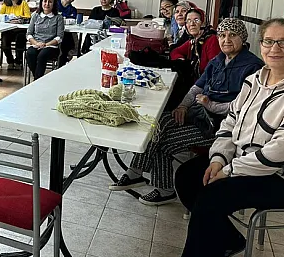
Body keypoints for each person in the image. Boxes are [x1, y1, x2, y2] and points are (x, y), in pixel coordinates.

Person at [174, 18, 284, 257]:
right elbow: (230, 124)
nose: (275, 48)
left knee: (211, 198)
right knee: (187, 177)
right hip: (244, 162)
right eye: (269, 41)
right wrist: (218, 159)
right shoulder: (254, 80)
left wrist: (229, 171)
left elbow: (283, 151)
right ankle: (228, 240)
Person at [110, 18, 263, 205]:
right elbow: (196, 88)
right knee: (157, 123)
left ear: (243, 38)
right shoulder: (219, 60)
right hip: (200, 114)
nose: (226, 40)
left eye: (232, 35)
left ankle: (162, 187)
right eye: (222, 35)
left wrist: (211, 106)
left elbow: (245, 106)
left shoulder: (253, 67)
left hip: (220, 128)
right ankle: (137, 172)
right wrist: (182, 106)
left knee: (164, 142)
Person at [26, 0, 64, 80]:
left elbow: (59, 37)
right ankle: (38, 79)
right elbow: (29, 34)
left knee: (42, 55)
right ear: (41, 2)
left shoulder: (58, 18)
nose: (47, 4)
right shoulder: (35, 16)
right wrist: (36, 43)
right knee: (30, 53)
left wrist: (46, 44)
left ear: (54, 4)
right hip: (36, 44)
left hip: (51, 46)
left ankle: (37, 80)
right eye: (45, 1)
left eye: (50, 2)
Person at [0, 0, 31, 67]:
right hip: (8, 29)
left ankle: (19, 60)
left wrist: (20, 20)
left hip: (20, 30)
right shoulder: (5, 4)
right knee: (4, 42)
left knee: (20, 39)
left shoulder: (23, 3)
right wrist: (8, 19)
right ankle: (10, 59)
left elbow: (28, 17)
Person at [57, 0, 78, 66]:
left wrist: (61, 19)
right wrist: (65, 19)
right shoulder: (55, 3)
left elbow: (73, 21)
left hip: (65, 32)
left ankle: (62, 63)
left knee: (68, 40)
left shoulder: (73, 9)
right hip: (52, 30)